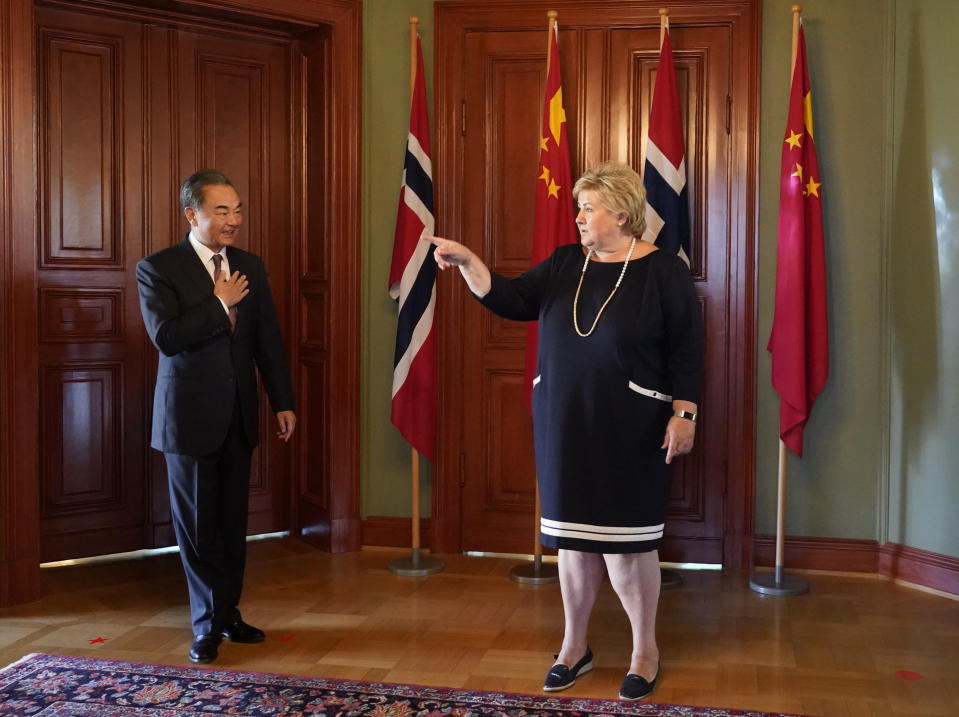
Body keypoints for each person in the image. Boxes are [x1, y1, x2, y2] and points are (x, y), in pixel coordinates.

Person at [427, 161, 704, 701]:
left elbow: (687, 350)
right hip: (563, 423)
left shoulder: (664, 271)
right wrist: (467, 262)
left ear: (620, 214)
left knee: (628, 546)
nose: (578, 218)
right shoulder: (561, 265)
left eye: (588, 208)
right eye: (579, 207)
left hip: (634, 426)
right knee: (573, 544)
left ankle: (644, 650)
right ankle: (574, 648)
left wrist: (684, 414)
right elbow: (509, 299)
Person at [136, 169, 296, 664]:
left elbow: (266, 338)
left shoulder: (249, 263)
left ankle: (227, 613)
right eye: (222, 211)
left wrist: (282, 399)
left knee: (231, 524)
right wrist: (218, 303)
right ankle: (206, 626)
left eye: (238, 209)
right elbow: (166, 337)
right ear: (193, 214)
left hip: (239, 415)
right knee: (199, 529)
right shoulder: (158, 268)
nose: (234, 221)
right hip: (187, 420)